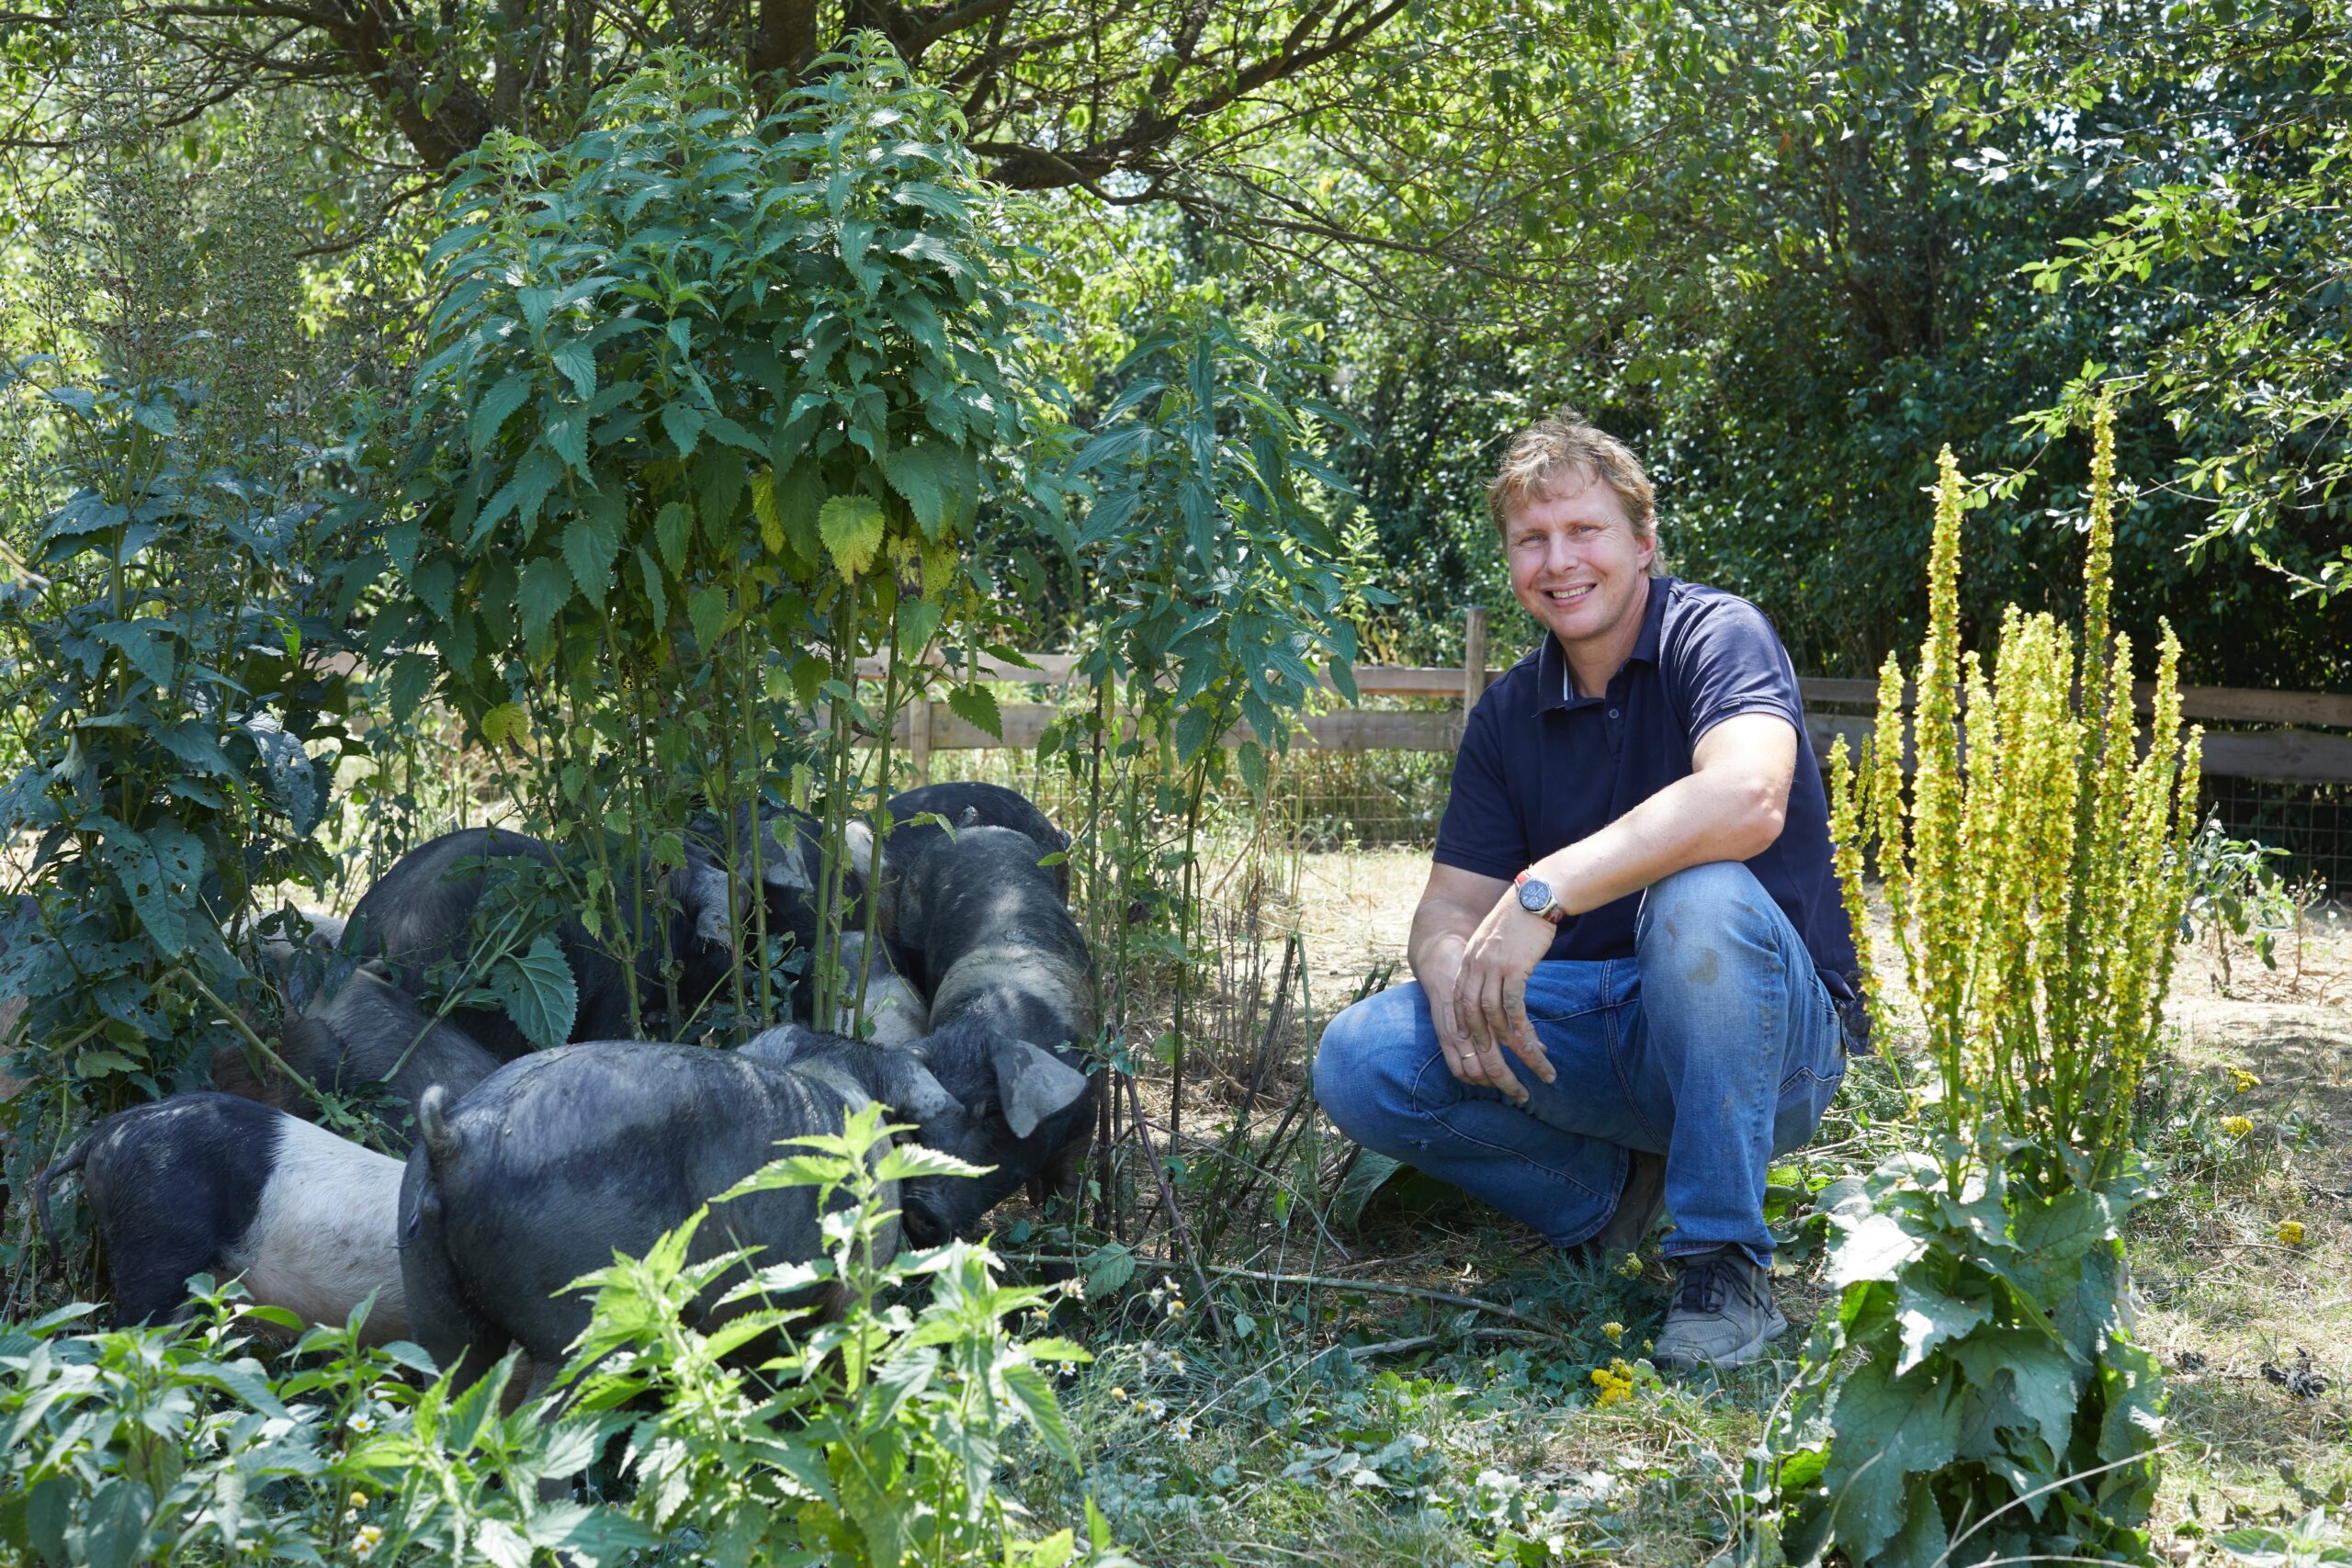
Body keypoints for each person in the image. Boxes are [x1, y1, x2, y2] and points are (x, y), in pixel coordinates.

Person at [1312, 413, 1866, 1371]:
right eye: (1532, 540)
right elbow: (1446, 907)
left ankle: (1723, 1264)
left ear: (1642, 541)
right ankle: (1607, 1203)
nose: (1558, 561)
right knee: (1361, 1056)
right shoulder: (1508, 712)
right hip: (1594, 1035)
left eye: (1584, 532)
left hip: (1770, 1043)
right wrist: (1455, 982)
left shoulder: (1718, 635)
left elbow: (1747, 795)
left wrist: (1545, 892)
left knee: (1699, 901)